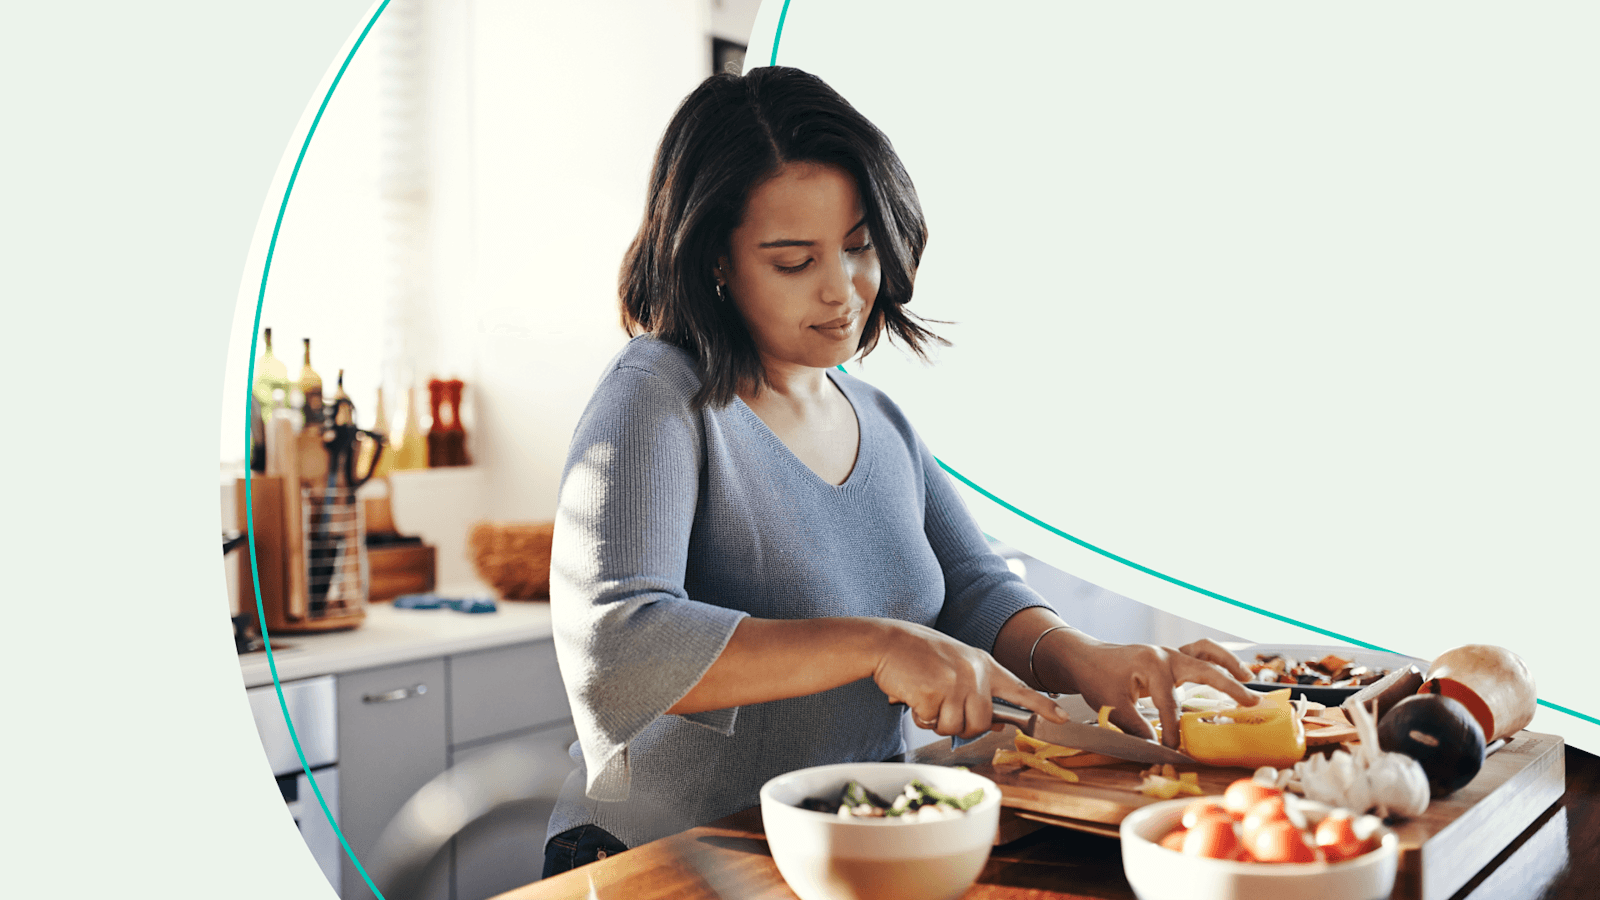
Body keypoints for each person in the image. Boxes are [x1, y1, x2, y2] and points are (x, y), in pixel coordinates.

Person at [541, 65, 1257, 878]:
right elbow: (616, 644)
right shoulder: (655, 394)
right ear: (714, 260)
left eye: (858, 247)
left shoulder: (878, 418)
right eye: (793, 261)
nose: (842, 291)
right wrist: (877, 645)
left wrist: (1081, 657)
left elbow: (974, 590)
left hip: (842, 847)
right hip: (667, 857)